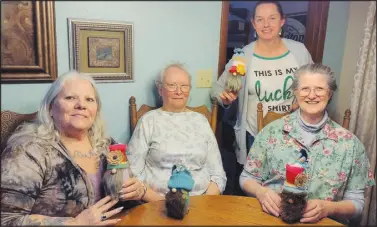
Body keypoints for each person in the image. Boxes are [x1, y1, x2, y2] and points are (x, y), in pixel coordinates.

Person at [1, 71, 146, 226]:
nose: (81, 105)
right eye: (70, 98)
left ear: (96, 110)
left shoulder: (108, 145)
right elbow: (6, 219)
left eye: (89, 99)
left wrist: (137, 191)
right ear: (50, 108)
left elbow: (125, 196)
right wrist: (75, 223)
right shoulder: (28, 150)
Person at [240, 63, 375, 224]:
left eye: (319, 89)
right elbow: (247, 177)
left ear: (330, 93)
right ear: (296, 93)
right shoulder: (271, 132)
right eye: (305, 89)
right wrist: (261, 192)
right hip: (273, 220)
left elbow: (357, 203)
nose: (312, 95)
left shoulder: (350, 143)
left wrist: (328, 208)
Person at [210, 1, 314, 186]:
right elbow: (217, 91)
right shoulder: (243, 56)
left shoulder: (299, 52)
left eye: (272, 18)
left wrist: (303, 102)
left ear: (282, 21)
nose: (266, 25)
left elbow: (314, 85)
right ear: (254, 23)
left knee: (290, 187)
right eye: (260, 19)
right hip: (254, 136)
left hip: (292, 134)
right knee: (255, 190)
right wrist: (225, 98)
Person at [127, 63, 227, 201]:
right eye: (172, 85)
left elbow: (217, 175)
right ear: (160, 89)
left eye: (184, 86)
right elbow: (134, 173)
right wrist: (164, 205)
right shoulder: (148, 121)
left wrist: (201, 205)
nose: (179, 91)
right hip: (157, 203)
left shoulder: (201, 121)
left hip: (201, 203)